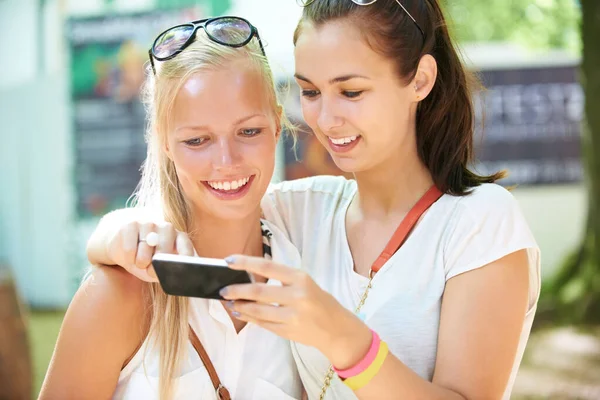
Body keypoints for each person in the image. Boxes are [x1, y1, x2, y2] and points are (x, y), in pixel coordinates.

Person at [86, 1, 541, 399]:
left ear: (420, 80)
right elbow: (199, 205)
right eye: (310, 92)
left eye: (351, 91)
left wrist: (345, 339)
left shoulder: (479, 222)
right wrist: (111, 237)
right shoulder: (300, 212)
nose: (326, 118)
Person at [39, 16, 303, 400]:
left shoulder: (302, 274)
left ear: (277, 125)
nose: (227, 161)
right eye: (197, 140)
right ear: (164, 142)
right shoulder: (121, 292)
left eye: (248, 131)